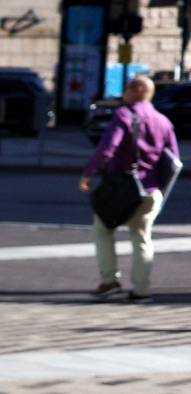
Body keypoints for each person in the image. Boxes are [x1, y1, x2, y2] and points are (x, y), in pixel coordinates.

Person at [81, 75, 179, 304]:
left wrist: (88, 173)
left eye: (125, 89)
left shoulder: (124, 115)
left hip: (124, 189)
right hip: (151, 190)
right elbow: (173, 160)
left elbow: (107, 148)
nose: (122, 94)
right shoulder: (163, 121)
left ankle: (109, 281)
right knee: (142, 238)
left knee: (103, 228)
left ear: (137, 90)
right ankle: (141, 290)